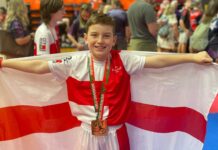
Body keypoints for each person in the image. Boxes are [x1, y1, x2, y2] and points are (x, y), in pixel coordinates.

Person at [0, 14, 213, 150]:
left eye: (106, 36)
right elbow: (40, 67)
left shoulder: (124, 59)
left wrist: (191, 57)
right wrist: (7, 64)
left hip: (116, 132)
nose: (100, 41)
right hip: (87, 132)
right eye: (94, 35)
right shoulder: (73, 61)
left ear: (114, 39)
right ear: (86, 38)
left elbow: (156, 60)